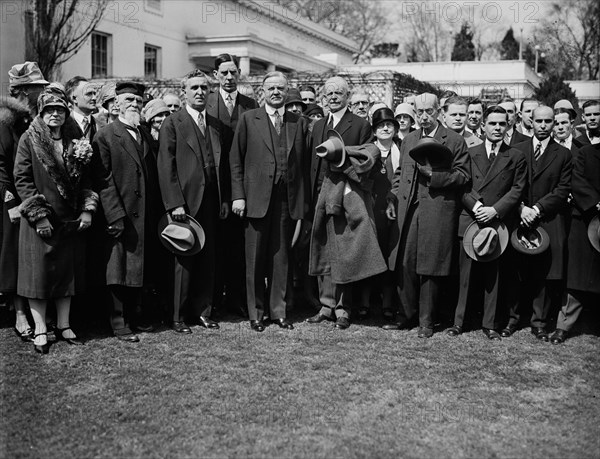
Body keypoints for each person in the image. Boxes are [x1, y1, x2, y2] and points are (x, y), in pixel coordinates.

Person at [14, 89, 99, 353]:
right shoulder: (30, 139)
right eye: (49, 109)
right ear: (41, 113)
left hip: (69, 219)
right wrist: (38, 216)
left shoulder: (76, 139)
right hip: (40, 220)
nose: (55, 114)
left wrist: (87, 209)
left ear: (66, 112)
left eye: (59, 109)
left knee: (66, 273)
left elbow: (87, 179)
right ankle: (40, 328)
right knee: (37, 276)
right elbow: (22, 179)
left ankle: (64, 324)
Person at [385, 93, 470, 338]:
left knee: (430, 265)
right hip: (409, 209)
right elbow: (401, 172)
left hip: (437, 209)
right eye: (419, 111)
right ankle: (406, 315)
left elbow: (463, 176)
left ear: (439, 112)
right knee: (405, 262)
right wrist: (393, 196)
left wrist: (435, 177)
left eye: (428, 112)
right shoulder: (410, 138)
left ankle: (427, 322)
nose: (423, 116)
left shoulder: (453, 140)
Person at [230, 71, 309, 332]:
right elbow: (235, 160)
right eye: (271, 88)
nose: (276, 92)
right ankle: (256, 313)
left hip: (286, 200)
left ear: (287, 92)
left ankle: (279, 311)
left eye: (281, 88)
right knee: (254, 258)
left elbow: (304, 164)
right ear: (262, 92)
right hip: (255, 199)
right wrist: (238, 196)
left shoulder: (299, 122)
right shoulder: (248, 119)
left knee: (280, 257)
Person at [158, 70, 230, 333]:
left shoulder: (215, 124)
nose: (200, 92)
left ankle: (203, 311)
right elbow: (166, 167)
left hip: (212, 201)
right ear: (184, 92)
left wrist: (224, 199)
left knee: (208, 259)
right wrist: (174, 203)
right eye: (194, 88)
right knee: (183, 258)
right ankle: (178, 316)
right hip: (185, 204)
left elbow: (221, 166)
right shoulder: (173, 122)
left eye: (204, 87)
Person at [446, 105, 527, 340]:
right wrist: (477, 206)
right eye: (492, 123)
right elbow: (462, 186)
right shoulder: (470, 153)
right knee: (465, 276)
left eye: (502, 124)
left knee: (494, 275)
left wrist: (495, 210)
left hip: (497, 222)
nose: (497, 128)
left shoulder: (516, 156)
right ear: (483, 125)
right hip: (471, 219)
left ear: (508, 125)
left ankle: (489, 324)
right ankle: (458, 322)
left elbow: (517, 189)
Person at [93, 82, 163, 342]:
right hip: (121, 213)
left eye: (138, 100)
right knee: (118, 267)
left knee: (139, 267)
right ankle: (118, 321)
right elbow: (103, 178)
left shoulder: (144, 133)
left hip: (145, 213)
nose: (134, 104)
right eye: (129, 100)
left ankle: (136, 315)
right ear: (117, 104)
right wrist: (114, 214)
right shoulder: (107, 135)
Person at [306, 76, 372, 329]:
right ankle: (326, 306)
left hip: (345, 195)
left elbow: (362, 162)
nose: (333, 97)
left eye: (339, 93)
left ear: (347, 96)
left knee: (343, 252)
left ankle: (344, 309)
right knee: (323, 249)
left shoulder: (360, 124)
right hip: (319, 196)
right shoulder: (319, 124)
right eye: (329, 93)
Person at [502, 106, 572, 340]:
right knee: (515, 271)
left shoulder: (563, 154)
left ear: (554, 123)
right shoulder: (517, 149)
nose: (543, 125)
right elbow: (510, 183)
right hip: (518, 216)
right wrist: (521, 207)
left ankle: (538, 321)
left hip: (547, 218)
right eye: (538, 121)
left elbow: (562, 189)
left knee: (543, 272)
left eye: (548, 121)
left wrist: (538, 209)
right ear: (530, 121)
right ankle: (512, 319)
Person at [206, 53, 258, 318]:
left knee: (239, 247)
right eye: (223, 73)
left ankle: (238, 299)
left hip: (242, 190)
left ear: (239, 74)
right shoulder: (206, 103)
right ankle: (213, 300)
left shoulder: (250, 105)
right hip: (213, 188)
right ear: (216, 76)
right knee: (215, 248)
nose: (228, 78)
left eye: (233, 72)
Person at [0, 61, 48, 342]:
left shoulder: (28, 120)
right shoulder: (5, 120)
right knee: (13, 259)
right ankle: (19, 314)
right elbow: (1, 166)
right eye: (35, 88)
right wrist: (10, 205)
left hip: (28, 197)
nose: (39, 92)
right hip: (12, 202)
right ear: (23, 90)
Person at [551, 142, 600, 344]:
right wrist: (596, 203)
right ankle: (564, 326)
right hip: (586, 218)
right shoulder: (585, 153)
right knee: (577, 278)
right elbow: (577, 181)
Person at [360, 107, 401, 321]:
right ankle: (365, 303)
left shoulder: (402, 149)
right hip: (370, 209)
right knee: (369, 253)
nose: (386, 128)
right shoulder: (367, 151)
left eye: (390, 124)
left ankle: (387, 303)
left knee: (389, 255)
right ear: (374, 131)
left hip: (394, 211)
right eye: (380, 125)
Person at [65, 76, 99, 142]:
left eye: (94, 93)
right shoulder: (63, 125)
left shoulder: (101, 126)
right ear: (74, 98)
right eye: (89, 94)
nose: (94, 98)